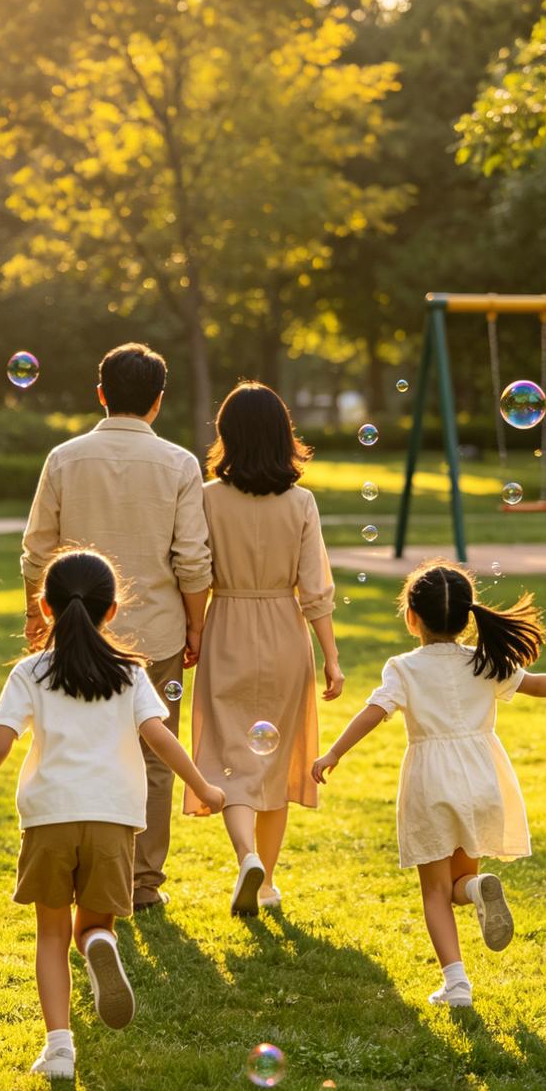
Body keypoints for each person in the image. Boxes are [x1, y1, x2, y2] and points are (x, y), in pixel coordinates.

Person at [0, 549, 224, 1079]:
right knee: (92, 923)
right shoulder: (130, 673)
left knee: (50, 935)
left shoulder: (30, 671)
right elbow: (160, 738)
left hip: (49, 818)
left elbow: (0, 745)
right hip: (113, 819)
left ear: (45, 608)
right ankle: (98, 943)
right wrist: (204, 787)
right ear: (112, 611)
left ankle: (59, 1049)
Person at [312, 560, 546, 1007]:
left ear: (411, 617)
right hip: (482, 779)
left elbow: (375, 712)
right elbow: (534, 684)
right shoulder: (484, 660)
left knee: (435, 891)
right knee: (459, 885)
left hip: (431, 783)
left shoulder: (403, 667)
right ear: (467, 616)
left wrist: (334, 752)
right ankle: (476, 890)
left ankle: (456, 984)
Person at [21, 341, 212, 911]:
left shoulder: (63, 458)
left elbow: (37, 551)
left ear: (101, 395)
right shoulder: (180, 464)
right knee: (155, 758)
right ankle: (140, 883)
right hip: (154, 635)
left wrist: (37, 613)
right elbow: (193, 559)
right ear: (157, 402)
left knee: (70, 745)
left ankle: (79, 871)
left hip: (73, 633)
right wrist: (195, 625)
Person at [186, 382, 343, 918]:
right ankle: (268, 881)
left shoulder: (206, 497)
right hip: (284, 631)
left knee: (229, 761)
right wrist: (332, 658)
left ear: (226, 436)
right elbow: (315, 589)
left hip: (225, 625)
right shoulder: (301, 502)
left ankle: (246, 855)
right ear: (283, 435)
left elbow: (196, 574)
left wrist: (195, 633)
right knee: (273, 764)